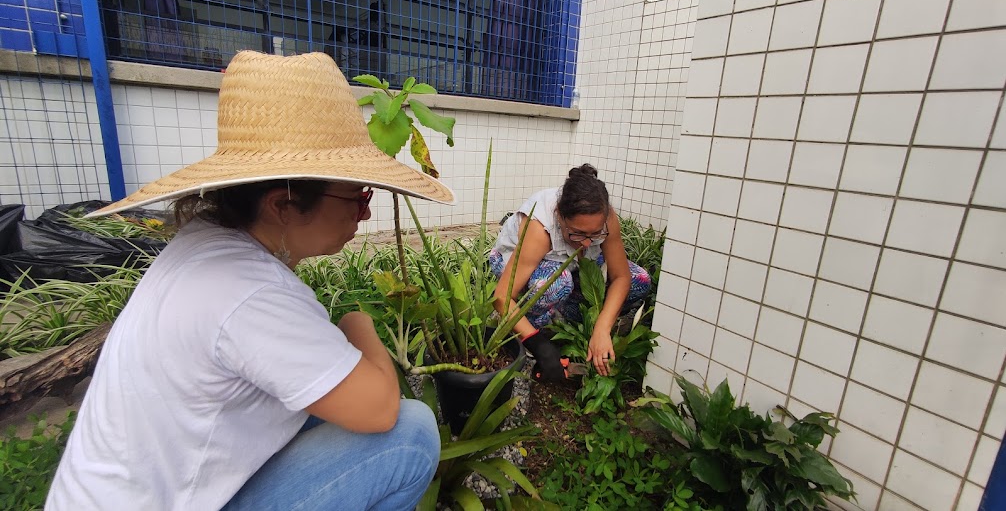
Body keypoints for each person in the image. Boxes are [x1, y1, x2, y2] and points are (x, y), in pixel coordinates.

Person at [46, 51, 455, 511]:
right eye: (357, 194)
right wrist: (358, 325)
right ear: (282, 205)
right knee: (411, 434)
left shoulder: (208, 242)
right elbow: (379, 410)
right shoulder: (252, 292)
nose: (365, 210)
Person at [489, 165, 651, 383]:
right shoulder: (540, 228)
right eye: (577, 233)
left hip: (571, 265)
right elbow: (501, 297)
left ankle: (562, 317)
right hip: (517, 263)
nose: (586, 242)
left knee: (640, 280)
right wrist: (539, 345)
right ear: (559, 216)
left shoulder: (605, 218)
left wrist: (602, 327)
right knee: (555, 284)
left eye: (595, 234)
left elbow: (622, 277)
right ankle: (529, 328)